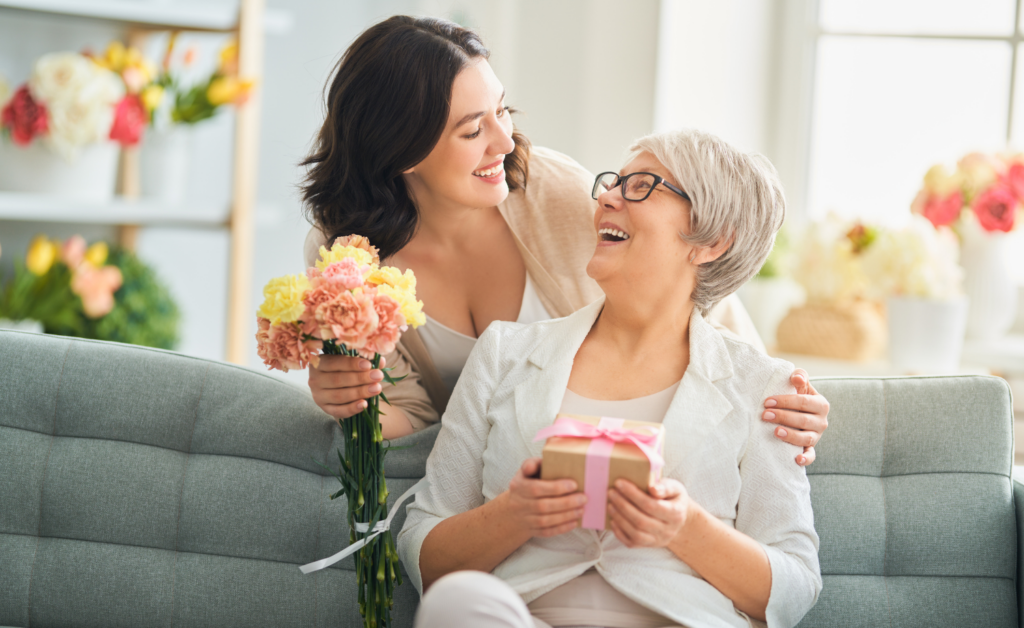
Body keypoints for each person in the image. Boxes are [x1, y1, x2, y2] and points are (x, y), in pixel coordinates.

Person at [300, 15, 829, 465]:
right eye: (471, 130)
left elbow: (690, 285)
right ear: (402, 152)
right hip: (503, 479)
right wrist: (351, 399)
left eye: (501, 111)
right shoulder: (345, 259)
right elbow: (416, 419)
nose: (504, 141)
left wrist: (774, 399)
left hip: (627, 455)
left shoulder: (552, 191)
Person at [398, 129, 821, 628]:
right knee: (458, 604)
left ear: (712, 241)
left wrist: (685, 528)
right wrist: (514, 514)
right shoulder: (504, 353)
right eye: (612, 183)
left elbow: (795, 588)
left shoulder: (764, 386)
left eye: (642, 186)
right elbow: (422, 549)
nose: (607, 197)